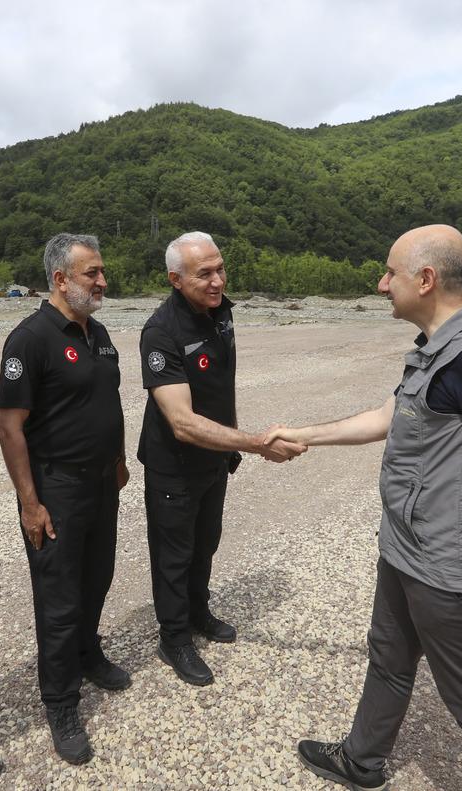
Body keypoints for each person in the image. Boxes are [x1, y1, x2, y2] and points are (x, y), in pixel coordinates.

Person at [269, 225, 462, 791]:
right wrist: (299, 435)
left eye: (389, 273)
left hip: (450, 575)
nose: (380, 284)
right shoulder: (436, 347)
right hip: (405, 553)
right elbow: (387, 416)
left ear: (425, 280)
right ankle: (362, 760)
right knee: (389, 660)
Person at [138, 231, 306, 686]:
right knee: (174, 555)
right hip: (174, 464)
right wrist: (253, 443)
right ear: (175, 279)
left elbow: (218, 389)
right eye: (204, 274)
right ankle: (173, 638)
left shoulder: (220, 313)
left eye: (220, 269)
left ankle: (196, 612)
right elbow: (182, 422)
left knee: (205, 542)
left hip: (214, 460)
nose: (217, 281)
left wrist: (231, 447)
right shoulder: (161, 332)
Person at [0, 233, 129, 765]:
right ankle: (61, 701)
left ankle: (87, 651)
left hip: (101, 482)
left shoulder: (97, 333)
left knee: (98, 575)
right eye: (91, 273)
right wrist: (30, 502)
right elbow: (9, 428)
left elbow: (104, 401)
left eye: (100, 272)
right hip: (57, 487)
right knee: (59, 596)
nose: (101, 281)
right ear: (60, 279)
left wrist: (117, 459)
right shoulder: (29, 339)